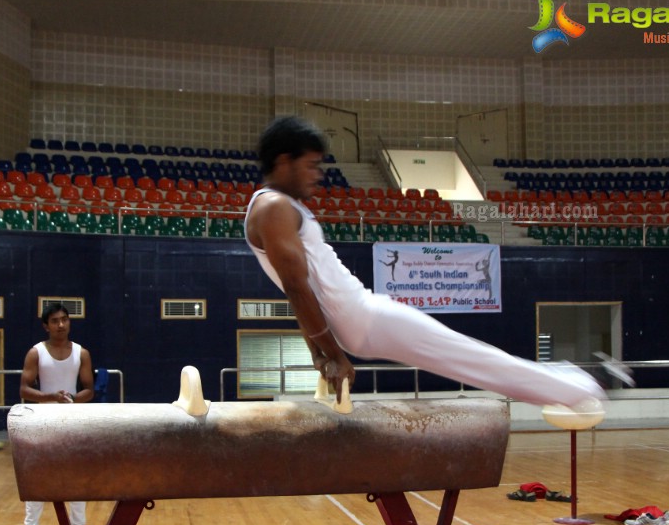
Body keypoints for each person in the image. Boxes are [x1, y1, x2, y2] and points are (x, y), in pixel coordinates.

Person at [243, 116, 608, 410]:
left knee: (467, 357)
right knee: (469, 356)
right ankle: (582, 389)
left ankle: (572, 385)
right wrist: (333, 355)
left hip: (354, 322)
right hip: (363, 316)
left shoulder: (272, 207)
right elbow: (295, 287)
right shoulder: (274, 207)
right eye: (309, 166)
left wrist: (321, 352)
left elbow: (300, 291)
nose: (316, 175)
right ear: (283, 161)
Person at [11, 303, 101, 525]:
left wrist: (71, 398)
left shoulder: (81, 353)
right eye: (55, 321)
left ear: (69, 322)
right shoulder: (36, 352)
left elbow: (89, 390)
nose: (61, 325)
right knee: (37, 474)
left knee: (77, 474)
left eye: (64, 319)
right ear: (46, 326)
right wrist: (51, 397)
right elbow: (24, 389)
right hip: (43, 420)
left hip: (73, 420)